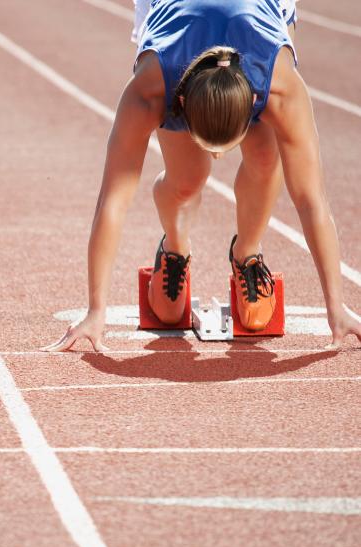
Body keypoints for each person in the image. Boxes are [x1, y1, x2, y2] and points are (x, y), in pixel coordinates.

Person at [47, 0, 361, 352]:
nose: (217, 156)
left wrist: (337, 307)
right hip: (176, 25)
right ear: (179, 104)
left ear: (254, 99)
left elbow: (310, 198)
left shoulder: (280, 87)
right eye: (208, 144)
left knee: (265, 153)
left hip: (258, 19)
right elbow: (113, 199)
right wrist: (95, 309)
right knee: (188, 178)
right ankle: (175, 248)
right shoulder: (150, 89)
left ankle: (248, 255)